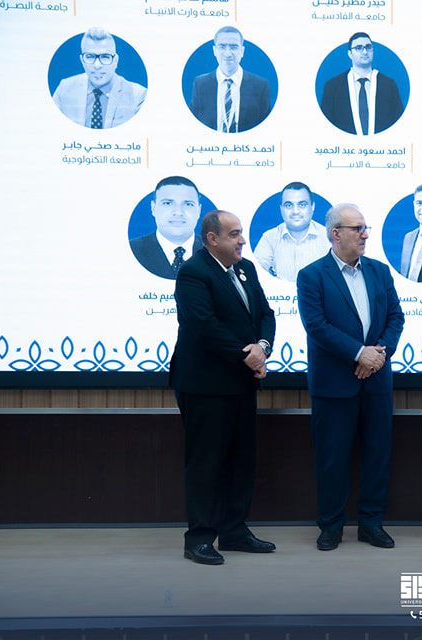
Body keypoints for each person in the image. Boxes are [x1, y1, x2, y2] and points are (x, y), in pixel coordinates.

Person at [170, 210, 277, 565]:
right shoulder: (193, 272)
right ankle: (199, 538)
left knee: (241, 461)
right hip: (205, 384)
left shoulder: (246, 270)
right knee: (206, 463)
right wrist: (247, 356)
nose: (242, 240)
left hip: (241, 382)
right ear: (211, 239)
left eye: (241, 233)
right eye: (234, 234)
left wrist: (262, 347)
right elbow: (204, 326)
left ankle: (234, 531)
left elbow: (265, 314)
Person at [296, 204, 405, 551]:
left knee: (377, 456)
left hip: (376, 381)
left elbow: (396, 318)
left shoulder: (380, 271)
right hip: (333, 385)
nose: (365, 234)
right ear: (335, 234)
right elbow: (317, 326)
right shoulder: (312, 275)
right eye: (357, 228)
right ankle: (331, 526)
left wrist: (378, 354)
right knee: (332, 458)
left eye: (365, 227)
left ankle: (371, 523)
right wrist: (360, 354)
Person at [51, 27, 146, 129]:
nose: (97, 65)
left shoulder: (138, 96)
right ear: (82, 60)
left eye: (105, 57)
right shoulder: (64, 89)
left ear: (115, 61)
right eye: (89, 56)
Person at [189, 26, 272, 133]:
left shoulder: (261, 86)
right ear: (214, 51)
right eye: (222, 47)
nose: (227, 53)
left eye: (233, 47)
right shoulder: (200, 84)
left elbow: (265, 129)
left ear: (242, 51)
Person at [320, 32, 404, 135]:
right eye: (359, 48)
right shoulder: (333, 87)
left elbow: (399, 123)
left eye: (368, 47)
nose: (365, 52)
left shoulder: (388, 85)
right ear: (350, 54)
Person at [252, 182, 331, 281]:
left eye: (302, 205)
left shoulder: (328, 238)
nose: (295, 211)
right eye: (289, 205)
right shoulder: (269, 238)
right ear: (281, 208)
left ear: (312, 206)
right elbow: (256, 273)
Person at [130, 176, 203, 280]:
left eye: (188, 204)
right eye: (168, 203)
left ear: (199, 210)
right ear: (153, 208)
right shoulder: (133, 249)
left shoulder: (215, 252)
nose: (178, 212)